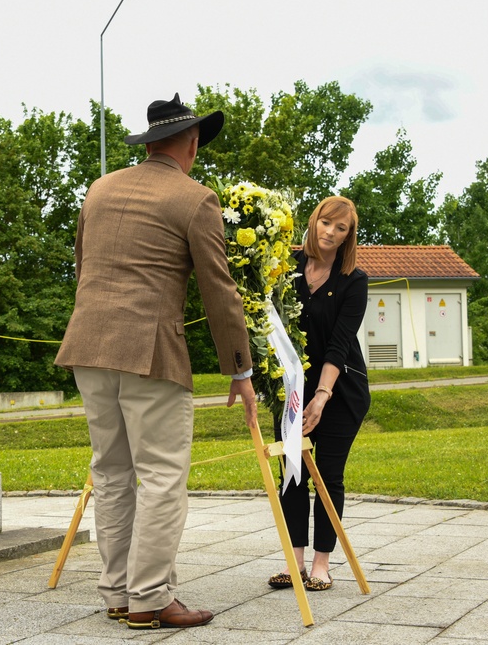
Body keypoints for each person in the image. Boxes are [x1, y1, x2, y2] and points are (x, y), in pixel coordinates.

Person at [55, 93, 257, 630]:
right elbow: (220, 290)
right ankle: (149, 598)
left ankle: (118, 593)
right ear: (191, 144)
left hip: (88, 346)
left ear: (148, 143)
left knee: (112, 475)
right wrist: (240, 368)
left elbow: (82, 266)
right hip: (150, 352)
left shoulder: (100, 189)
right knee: (163, 477)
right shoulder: (195, 199)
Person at [267, 195, 370, 592]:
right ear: (314, 222)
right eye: (326, 222)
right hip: (292, 388)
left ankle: (321, 566)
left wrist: (322, 395)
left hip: (339, 390)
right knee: (291, 474)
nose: (330, 232)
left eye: (340, 228)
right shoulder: (286, 268)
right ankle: (294, 564)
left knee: (327, 475)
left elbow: (339, 345)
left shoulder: (354, 281)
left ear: (348, 237)